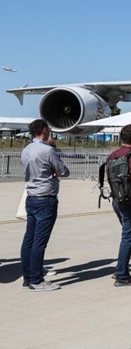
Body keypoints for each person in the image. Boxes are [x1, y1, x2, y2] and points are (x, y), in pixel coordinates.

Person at [20, 119, 70, 291]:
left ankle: (27, 277)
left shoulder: (26, 149)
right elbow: (63, 170)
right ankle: (36, 279)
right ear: (44, 130)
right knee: (39, 241)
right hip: (45, 198)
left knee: (29, 238)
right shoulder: (48, 150)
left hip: (31, 196)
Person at [107, 124, 131, 287]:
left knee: (129, 233)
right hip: (130, 201)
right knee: (128, 236)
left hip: (117, 199)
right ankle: (122, 274)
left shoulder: (113, 155)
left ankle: (121, 268)